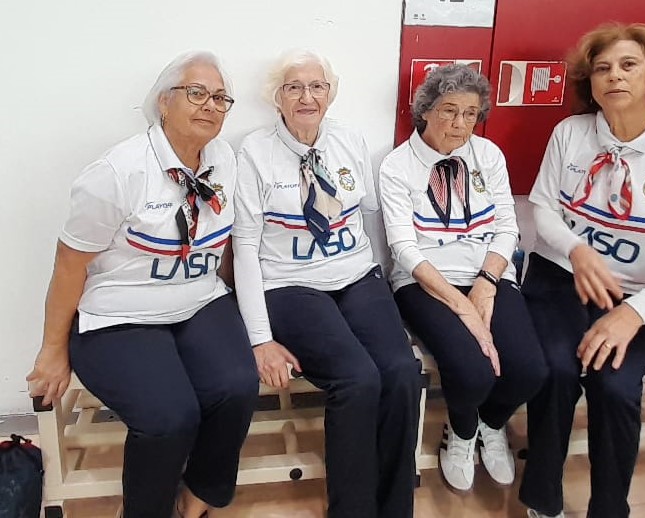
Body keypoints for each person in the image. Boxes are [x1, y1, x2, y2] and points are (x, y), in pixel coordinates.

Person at [26, 51, 259, 518]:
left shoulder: (223, 160)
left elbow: (229, 246)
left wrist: (255, 321)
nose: (210, 105)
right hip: (121, 313)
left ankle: (199, 494)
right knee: (170, 416)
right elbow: (69, 265)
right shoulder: (117, 173)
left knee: (237, 386)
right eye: (196, 93)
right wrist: (52, 350)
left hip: (199, 300)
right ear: (163, 103)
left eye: (220, 98)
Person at [518, 23, 645, 518]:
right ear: (589, 82)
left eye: (628, 65)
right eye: (602, 69)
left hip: (640, 295)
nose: (615, 77)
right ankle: (542, 499)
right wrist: (576, 251)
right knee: (555, 371)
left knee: (614, 387)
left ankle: (610, 508)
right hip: (559, 278)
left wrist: (633, 313)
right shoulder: (570, 133)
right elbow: (543, 207)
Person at [232, 49, 420, 518]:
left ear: (330, 94)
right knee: (358, 378)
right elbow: (245, 249)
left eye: (317, 87)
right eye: (294, 87)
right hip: (290, 285)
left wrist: (383, 281)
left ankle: (395, 508)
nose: (306, 97)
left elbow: (369, 216)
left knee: (400, 372)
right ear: (276, 97)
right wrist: (260, 338)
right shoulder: (254, 152)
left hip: (356, 276)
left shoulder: (349, 140)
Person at [379, 63, 548, 492]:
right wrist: (463, 307)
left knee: (529, 370)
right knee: (473, 372)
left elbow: (508, 228)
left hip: (488, 276)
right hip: (425, 283)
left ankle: (491, 423)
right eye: (449, 110)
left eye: (470, 114)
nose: (460, 123)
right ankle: (462, 428)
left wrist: (487, 284)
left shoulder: (488, 155)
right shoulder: (398, 165)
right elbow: (404, 249)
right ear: (425, 111)